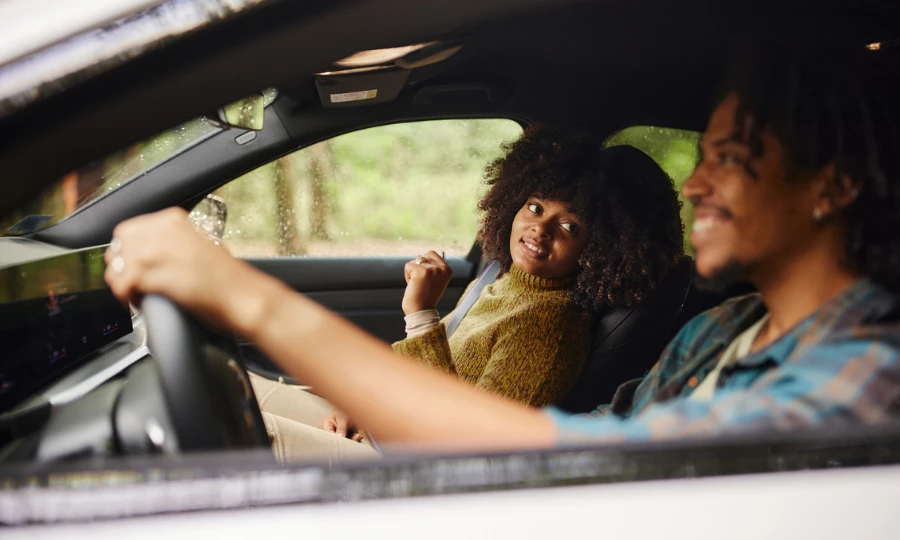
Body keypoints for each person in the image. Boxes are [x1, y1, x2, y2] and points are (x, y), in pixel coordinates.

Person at [104, 40, 900, 451]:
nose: (694, 188)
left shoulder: (864, 379)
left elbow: (588, 458)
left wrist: (247, 296)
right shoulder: (719, 331)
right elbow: (608, 432)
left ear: (830, 185)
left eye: (726, 160)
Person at [249, 126, 685, 459]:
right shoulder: (506, 283)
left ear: (601, 248)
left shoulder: (548, 327)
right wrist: (362, 405)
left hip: (400, 467)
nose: (540, 227)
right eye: (535, 207)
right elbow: (439, 379)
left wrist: (420, 313)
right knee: (241, 390)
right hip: (386, 430)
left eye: (569, 225)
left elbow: (464, 443)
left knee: (237, 429)